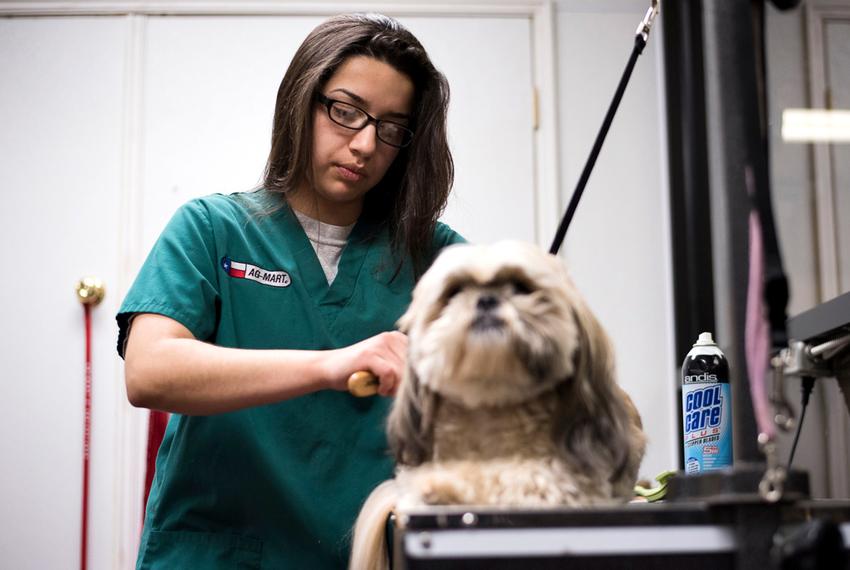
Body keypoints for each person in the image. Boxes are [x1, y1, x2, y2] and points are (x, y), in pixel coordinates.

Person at [117, 13, 463, 569]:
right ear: (301, 101)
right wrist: (332, 366)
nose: (366, 144)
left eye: (393, 128)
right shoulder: (211, 228)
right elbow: (149, 372)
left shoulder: (436, 258)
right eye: (346, 112)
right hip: (219, 555)